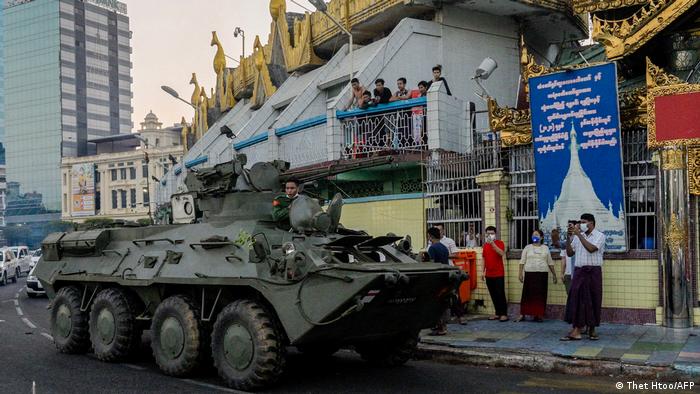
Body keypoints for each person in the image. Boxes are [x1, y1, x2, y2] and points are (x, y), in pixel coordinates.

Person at [561, 213, 606, 341]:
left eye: (583, 222)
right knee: (576, 298)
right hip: (579, 271)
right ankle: (577, 328)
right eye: (579, 222)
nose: (580, 225)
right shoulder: (577, 236)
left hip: (593, 272)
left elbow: (591, 248)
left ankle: (592, 328)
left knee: (594, 299)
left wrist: (579, 235)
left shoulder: (600, 236)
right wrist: (569, 238)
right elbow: (569, 253)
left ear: (591, 223)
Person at [516, 229, 557, 322]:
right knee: (527, 295)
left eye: (537, 235)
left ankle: (538, 315)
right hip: (530, 274)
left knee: (540, 295)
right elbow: (522, 261)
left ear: (541, 237)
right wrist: (520, 273)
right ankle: (523, 314)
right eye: (533, 234)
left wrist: (554, 275)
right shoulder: (527, 247)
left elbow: (550, 262)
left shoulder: (545, 248)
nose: (535, 236)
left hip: (542, 274)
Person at [426, 227, 450, 335]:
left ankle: (441, 328)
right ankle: (443, 326)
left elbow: (431, 264)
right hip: (445, 278)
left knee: (435, 304)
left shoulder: (432, 248)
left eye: (428, 235)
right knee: (443, 303)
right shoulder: (444, 247)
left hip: (436, 279)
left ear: (430, 236)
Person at [482, 226, 508, 322]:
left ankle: (504, 314)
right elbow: (484, 258)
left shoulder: (500, 243)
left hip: (499, 273)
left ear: (495, 234)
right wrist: (482, 271)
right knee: (493, 294)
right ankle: (498, 313)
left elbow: (501, 253)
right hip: (489, 274)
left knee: (500, 294)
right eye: (488, 233)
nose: (490, 235)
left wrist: (492, 243)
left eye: (492, 233)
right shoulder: (485, 245)